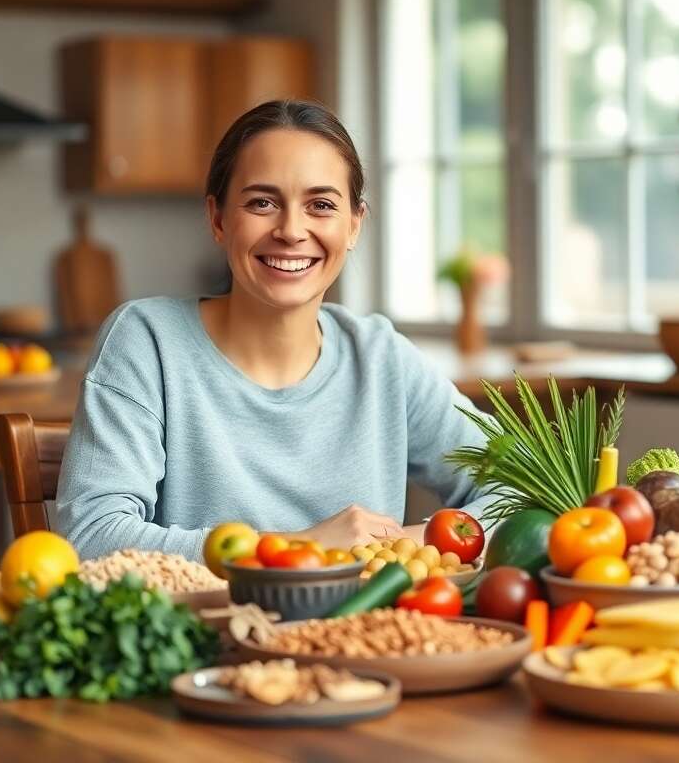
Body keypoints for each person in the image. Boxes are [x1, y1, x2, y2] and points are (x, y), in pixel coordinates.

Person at [56, 99, 493, 560]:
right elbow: (90, 538)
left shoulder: (382, 357)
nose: (291, 230)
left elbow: (523, 487)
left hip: (364, 632)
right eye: (262, 202)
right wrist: (298, 549)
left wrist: (410, 543)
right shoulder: (147, 342)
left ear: (354, 226)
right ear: (219, 219)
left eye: (321, 205)